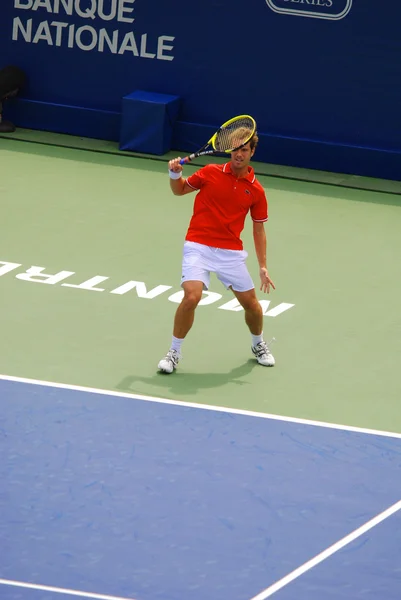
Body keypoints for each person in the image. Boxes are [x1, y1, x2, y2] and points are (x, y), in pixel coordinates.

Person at [158, 132, 276, 374]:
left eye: (244, 150)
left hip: (230, 253)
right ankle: (173, 353)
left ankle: (258, 344)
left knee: (252, 305)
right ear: (229, 151)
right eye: (236, 149)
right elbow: (179, 190)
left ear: (252, 152)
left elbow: (258, 228)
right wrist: (174, 173)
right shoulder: (210, 172)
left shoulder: (256, 191)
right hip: (198, 244)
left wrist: (262, 266)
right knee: (192, 296)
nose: (239, 154)